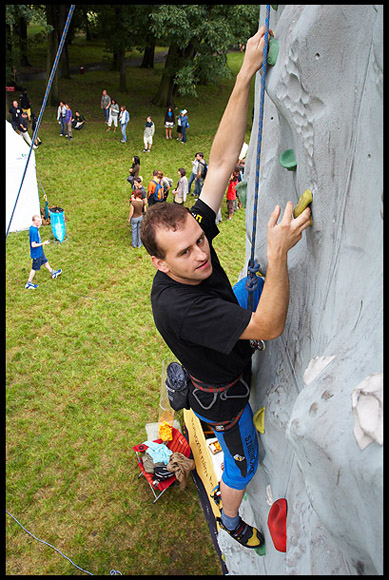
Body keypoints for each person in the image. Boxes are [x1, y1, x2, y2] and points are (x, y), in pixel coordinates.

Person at [140, 26, 311, 550]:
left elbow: (218, 163)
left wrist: (245, 73)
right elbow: (270, 326)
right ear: (159, 263)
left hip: (221, 317)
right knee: (243, 463)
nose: (201, 253)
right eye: (186, 252)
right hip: (223, 395)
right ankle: (229, 521)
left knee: (245, 286)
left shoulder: (190, 243)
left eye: (199, 239)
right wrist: (278, 253)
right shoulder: (179, 307)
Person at [25, 215, 62, 289]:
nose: (40, 222)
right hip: (36, 253)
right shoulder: (34, 231)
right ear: (33, 221)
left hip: (40, 251)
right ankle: (28, 283)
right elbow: (33, 245)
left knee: (45, 261)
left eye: (40, 220)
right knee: (34, 268)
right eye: (38, 221)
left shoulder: (34, 228)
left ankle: (53, 273)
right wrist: (43, 243)